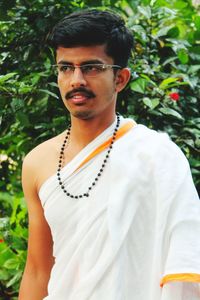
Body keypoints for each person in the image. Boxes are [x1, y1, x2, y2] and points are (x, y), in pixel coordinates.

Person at [18, 9, 200, 300]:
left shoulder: (157, 156)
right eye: (65, 68)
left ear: (120, 79)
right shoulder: (37, 163)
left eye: (91, 67)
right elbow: (39, 269)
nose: (76, 79)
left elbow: (185, 254)